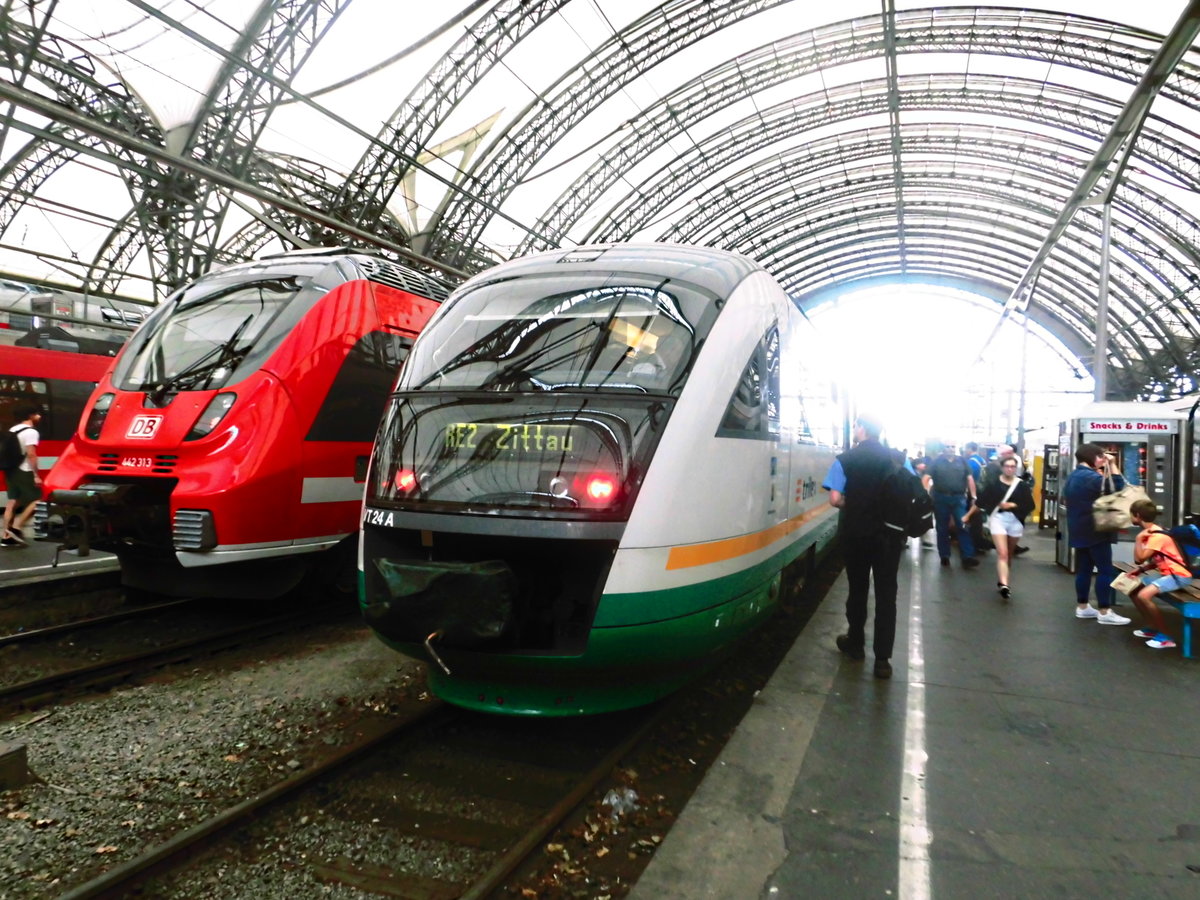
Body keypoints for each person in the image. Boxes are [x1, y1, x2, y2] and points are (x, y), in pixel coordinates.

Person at [823, 414, 904, 679]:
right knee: (886, 595)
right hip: (889, 538)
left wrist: (856, 503)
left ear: (861, 430)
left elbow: (835, 499)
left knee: (858, 589)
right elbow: (911, 493)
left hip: (856, 534)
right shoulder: (896, 458)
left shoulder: (846, 459)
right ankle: (882, 660)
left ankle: (855, 645)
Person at [1062, 443, 1131, 625]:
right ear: (1090, 457)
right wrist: (1114, 464)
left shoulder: (1074, 476)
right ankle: (1104, 610)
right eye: (1100, 456)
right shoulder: (1090, 477)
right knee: (1105, 570)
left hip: (1079, 528)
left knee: (1084, 569)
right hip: (1097, 529)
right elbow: (1117, 486)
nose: (1103, 459)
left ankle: (1083, 607)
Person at [969, 456, 1035, 599]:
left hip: (1015, 521)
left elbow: (1030, 505)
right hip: (998, 519)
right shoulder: (994, 484)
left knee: (1008, 554)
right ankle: (1005, 585)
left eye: (1013, 466)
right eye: (1007, 466)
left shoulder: (1021, 485)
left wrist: (1013, 505)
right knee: (1003, 553)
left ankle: (1002, 579)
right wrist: (968, 515)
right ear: (1002, 468)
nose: (1010, 469)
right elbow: (980, 502)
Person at [1127, 499, 1185, 650]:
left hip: (1179, 576)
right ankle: (1152, 627)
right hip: (1168, 574)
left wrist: (1138, 539)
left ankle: (1166, 637)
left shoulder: (1156, 536)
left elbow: (1139, 558)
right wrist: (1141, 571)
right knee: (1134, 590)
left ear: (1138, 516)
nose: (1130, 518)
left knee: (1143, 595)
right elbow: (1160, 559)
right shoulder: (1154, 531)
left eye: (1131, 515)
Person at [927, 442, 979, 568]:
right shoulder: (936, 462)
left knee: (962, 525)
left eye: (953, 446)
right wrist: (926, 494)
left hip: (959, 498)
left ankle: (967, 556)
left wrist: (974, 496)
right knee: (942, 527)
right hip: (940, 498)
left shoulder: (962, 461)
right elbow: (926, 477)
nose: (950, 449)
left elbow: (970, 478)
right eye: (948, 446)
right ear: (943, 449)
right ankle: (944, 555)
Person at [2, 403, 43, 547]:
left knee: (13, 500)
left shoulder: (13, 429)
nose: (39, 416)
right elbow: (31, 454)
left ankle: (6, 536)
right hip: (24, 470)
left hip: (11, 469)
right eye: (37, 413)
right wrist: (36, 475)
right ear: (30, 415)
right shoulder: (31, 432)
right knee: (39, 499)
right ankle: (17, 528)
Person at [963, 442, 990, 554]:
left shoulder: (970, 462)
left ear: (970, 449)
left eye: (966, 449)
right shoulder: (982, 461)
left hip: (973, 494)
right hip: (982, 492)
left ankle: (973, 544)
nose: (965, 451)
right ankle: (979, 542)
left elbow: (968, 479)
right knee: (978, 519)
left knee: (971, 519)